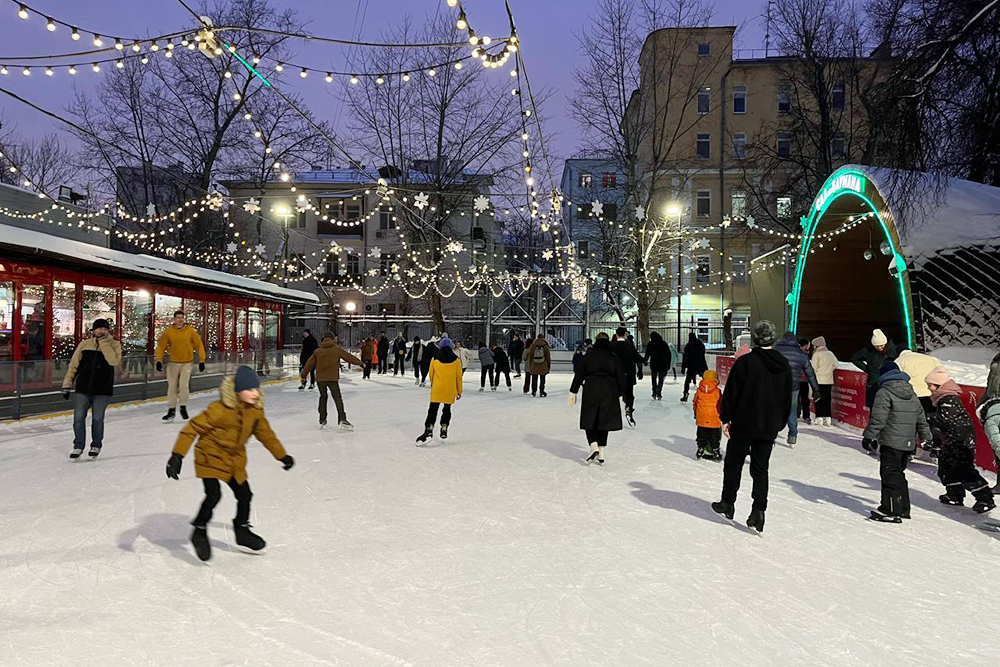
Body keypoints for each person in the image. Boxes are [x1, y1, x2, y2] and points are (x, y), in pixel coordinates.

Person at [165, 366, 294, 561]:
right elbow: (192, 428)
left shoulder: (255, 412)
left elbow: (266, 435)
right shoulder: (219, 410)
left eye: (256, 389)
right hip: (209, 456)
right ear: (237, 391)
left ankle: (241, 531)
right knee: (213, 495)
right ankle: (199, 530)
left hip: (234, 461)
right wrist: (177, 455)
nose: (255, 393)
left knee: (245, 494)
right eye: (249, 390)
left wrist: (282, 456)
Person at [712, 320, 792, 535]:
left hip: (744, 423)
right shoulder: (782, 364)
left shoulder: (745, 363)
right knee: (760, 469)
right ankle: (759, 511)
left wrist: (726, 417)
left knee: (733, 464)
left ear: (755, 339)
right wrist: (780, 422)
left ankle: (727, 502)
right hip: (768, 426)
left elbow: (732, 392)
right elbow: (787, 397)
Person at [862, 361, 931, 523]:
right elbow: (921, 419)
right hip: (907, 443)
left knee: (890, 475)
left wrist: (868, 436)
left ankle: (891, 510)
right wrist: (927, 438)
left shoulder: (884, 392)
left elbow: (879, 418)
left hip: (891, 442)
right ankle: (903, 508)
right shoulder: (911, 393)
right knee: (899, 474)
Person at [925, 366, 995, 513]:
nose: (929, 388)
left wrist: (928, 417)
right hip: (951, 439)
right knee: (947, 468)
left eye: (930, 385)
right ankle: (954, 494)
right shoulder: (942, 398)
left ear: (939, 385)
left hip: (960, 440)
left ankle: (985, 498)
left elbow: (946, 419)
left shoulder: (948, 398)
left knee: (964, 470)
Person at [62, 318, 122, 459]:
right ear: (93, 330)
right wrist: (66, 384)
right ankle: (78, 446)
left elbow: (113, 361)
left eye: (105, 329)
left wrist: (104, 344)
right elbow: (74, 365)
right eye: (99, 328)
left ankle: (96, 445)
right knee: (78, 418)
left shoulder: (114, 345)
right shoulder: (85, 345)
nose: (102, 331)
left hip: (102, 389)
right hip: (83, 387)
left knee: (97, 419)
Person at [568, 332, 626, 465]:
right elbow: (621, 376)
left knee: (590, 418)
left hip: (591, 389)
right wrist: (624, 394)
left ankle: (593, 445)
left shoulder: (589, 356)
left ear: (596, 340)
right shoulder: (613, 356)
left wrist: (573, 391)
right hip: (609, 390)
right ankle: (601, 451)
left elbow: (579, 374)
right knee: (604, 420)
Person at [300, 332, 363, 429]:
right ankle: (342, 419)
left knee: (323, 397)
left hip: (321, 379)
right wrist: (360, 363)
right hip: (332, 379)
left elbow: (309, 364)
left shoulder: (318, 351)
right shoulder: (336, 349)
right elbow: (348, 357)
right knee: (337, 398)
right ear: (333, 339)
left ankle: (322, 419)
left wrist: (303, 375)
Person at [155, 309, 207, 422]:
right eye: (178, 317)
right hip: (173, 363)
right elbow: (161, 346)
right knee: (172, 386)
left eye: (182, 317)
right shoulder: (168, 332)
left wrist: (202, 360)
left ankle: (183, 406)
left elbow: (199, 345)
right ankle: (171, 409)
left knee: (183, 385)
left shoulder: (190, 331)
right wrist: (158, 360)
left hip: (187, 363)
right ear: (174, 319)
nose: (180, 319)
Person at [774, 331, 820, 446]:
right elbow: (810, 373)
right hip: (794, 387)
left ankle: (772, 433)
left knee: (775, 410)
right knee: (792, 411)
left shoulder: (775, 351)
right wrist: (816, 389)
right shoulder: (801, 353)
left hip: (776, 386)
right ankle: (792, 435)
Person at [416, 338, 463, 444]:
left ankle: (429, 428)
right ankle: (444, 426)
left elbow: (431, 373)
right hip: (450, 389)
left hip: (437, 388)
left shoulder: (435, 358)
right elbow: (458, 377)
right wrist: (459, 391)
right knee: (447, 409)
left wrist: (433, 384)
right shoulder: (456, 360)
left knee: (432, 410)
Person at [851, 328, 898, 410]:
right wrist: (867, 369)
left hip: (888, 380)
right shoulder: (868, 351)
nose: (880, 348)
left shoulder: (892, 350)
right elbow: (854, 358)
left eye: (882, 345)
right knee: (872, 403)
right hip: (873, 381)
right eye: (877, 346)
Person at [977, 352, 1000, 492]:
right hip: (993, 405)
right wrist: (982, 403)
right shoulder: (997, 359)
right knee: (997, 445)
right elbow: (989, 386)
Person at [611, 327, 643, 425]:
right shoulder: (629, 346)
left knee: (614, 394)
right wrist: (644, 361)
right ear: (625, 334)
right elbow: (637, 357)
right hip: (628, 373)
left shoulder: (612, 346)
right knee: (629, 393)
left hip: (615, 374)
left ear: (616, 334)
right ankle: (629, 407)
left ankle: (612, 413)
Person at [895, 348, 942, 413]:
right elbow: (941, 371)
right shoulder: (929, 358)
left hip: (913, 396)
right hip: (930, 394)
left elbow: (896, 378)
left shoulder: (899, 361)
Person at [693, 369, 723, 460]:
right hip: (714, 418)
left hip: (701, 417)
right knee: (714, 436)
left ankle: (700, 448)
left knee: (701, 435)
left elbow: (695, 402)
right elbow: (721, 404)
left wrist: (696, 413)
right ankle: (715, 450)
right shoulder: (717, 391)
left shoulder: (699, 390)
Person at [810, 336, 838, 426]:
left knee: (818, 399)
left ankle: (819, 417)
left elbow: (813, 368)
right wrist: (829, 370)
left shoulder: (817, 354)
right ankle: (828, 417)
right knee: (827, 399)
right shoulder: (830, 353)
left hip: (819, 380)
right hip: (829, 380)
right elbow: (836, 364)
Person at [643, 331, 671, 400]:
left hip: (654, 364)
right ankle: (659, 392)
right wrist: (668, 364)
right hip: (662, 364)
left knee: (654, 379)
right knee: (661, 379)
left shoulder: (651, 344)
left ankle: (654, 392)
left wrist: (645, 361)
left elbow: (647, 353)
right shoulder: (663, 343)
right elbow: (668, 355)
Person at [681, 332, 708, 402]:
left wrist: (683, 368)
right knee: (705, 380)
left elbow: (685, 357)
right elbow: (703, 354)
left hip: (691, 366)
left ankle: (685, 395)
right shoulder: (701, 345)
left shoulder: (688, 346)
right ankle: (707, 393)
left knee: (687, 381)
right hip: (701, 365)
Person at [525, 333, 552, 397]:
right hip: (543, 364)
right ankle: (541, 391)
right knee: (542, 379)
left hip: (534, 364)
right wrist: (548, 365)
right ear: (543, 338)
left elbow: (530, 355)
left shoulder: (533, 345)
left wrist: (531, 364)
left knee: (534, 378)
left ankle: (534, 391)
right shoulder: (545, 346)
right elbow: (548, 356)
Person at [797, 338, 813, 425]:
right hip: (803, 379)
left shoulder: (796, 353)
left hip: (797, 379)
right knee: (804, 398)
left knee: (797, 397)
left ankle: (797, 414)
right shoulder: (805, 355)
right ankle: (806, 415)